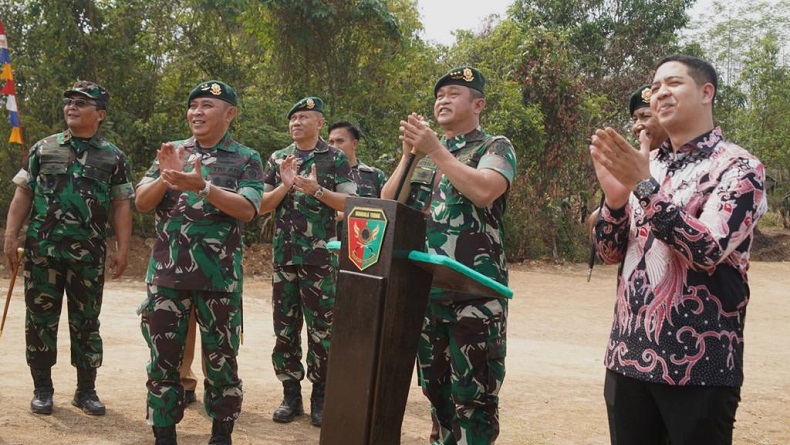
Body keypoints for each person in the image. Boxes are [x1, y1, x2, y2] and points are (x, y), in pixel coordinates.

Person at [589, 55, 767, 445]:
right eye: (655, 87)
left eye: (673, 83)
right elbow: (609, 252)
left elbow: (706, 249)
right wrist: (615, 202)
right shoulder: (644, 163)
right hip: (627, 357)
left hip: (698, 365)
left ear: (707, 92)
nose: (660, 94)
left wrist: (643, 185)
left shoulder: (738, 167)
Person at [381, 66, 517, 444]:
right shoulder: (424, 155)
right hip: (427, 293)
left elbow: (486, 190)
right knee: (436, 393)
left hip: (476, 294)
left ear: (478, 104)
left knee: (474, 397)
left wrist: (436, 150)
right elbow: (386, 205)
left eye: (454, 93)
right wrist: (409, 155)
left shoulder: (494, 147)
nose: (443, 99)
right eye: (439, 94)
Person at [135, 80, 264, 445]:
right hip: (166, 276)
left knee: (221, 361)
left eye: (207, 105)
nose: (197, 112)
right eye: (193, 106)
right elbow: (143, 202)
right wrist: (167, 177)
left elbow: (249, 208)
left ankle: (221, 434)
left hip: (218, 278)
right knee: (162, 361)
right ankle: (164, 433)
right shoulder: (172, 151)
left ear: (230, 114)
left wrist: (202, 187)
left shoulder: (246, 158)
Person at [3, 81, 134, 416]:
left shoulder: (113, 156)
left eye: (82, 102)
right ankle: (42, 389)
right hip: (42, 252)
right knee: (40, 320)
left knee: (86, 321)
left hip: (88, 254)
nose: (72, 107)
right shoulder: (43, 149)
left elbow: (121, 204)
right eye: (69, 101)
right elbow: (24, 194)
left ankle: (86, 390)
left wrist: (122, 248)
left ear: (100, 114)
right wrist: (11, 234)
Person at [260, 97, 356, 427]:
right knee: (285, 329)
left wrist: (317, 191)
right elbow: (260, 204)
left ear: (319, 123)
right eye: (293, 118)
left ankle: (321, 395)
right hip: (284, 257)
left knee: (322, 331)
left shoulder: (335, 158)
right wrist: (284, 187)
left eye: (304, 117)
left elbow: (351, 202)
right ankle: (290, 394)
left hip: (320, 260)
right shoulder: (278, 158)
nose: (296, 123)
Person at [586, 83, 669, 235]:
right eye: (635, 119)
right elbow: (610, 255)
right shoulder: (632, 162)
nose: (637, 126)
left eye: (645, 116)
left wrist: (642, 186)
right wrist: (610, 209)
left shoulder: (687, 162)